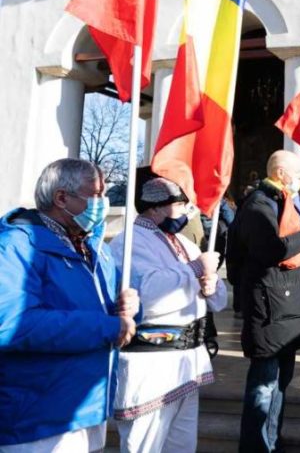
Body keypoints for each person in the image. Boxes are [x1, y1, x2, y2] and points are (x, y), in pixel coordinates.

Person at [0, 158, 138, 451]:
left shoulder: (92, 247)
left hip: (87, 408)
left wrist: (122, 308)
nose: (103, 202)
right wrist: (109, 326)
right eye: (96, 194)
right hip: (38, 418)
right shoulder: (17, 246)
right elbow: (13, 325)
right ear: (61, 197)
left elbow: (92, 311)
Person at [109, 171, 227, 452]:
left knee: (181, 446)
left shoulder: (184, 243)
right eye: (180, 203)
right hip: (152, 366)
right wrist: (195, 269)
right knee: (145, 445)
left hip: (186, 364)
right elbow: (149, 294)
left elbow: (218, 300)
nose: (187, 210)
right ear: (155, 207)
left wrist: (211, 287)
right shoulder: (129, 242)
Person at [227, 150, 300, 453]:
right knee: (264, 386)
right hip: (268, 309)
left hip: (287, 309)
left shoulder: (284, 201)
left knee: (280, 384)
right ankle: (256, 447)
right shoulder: (258, 204)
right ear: (281, 173)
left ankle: (272, 443)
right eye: (297, 173)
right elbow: (270, 250)